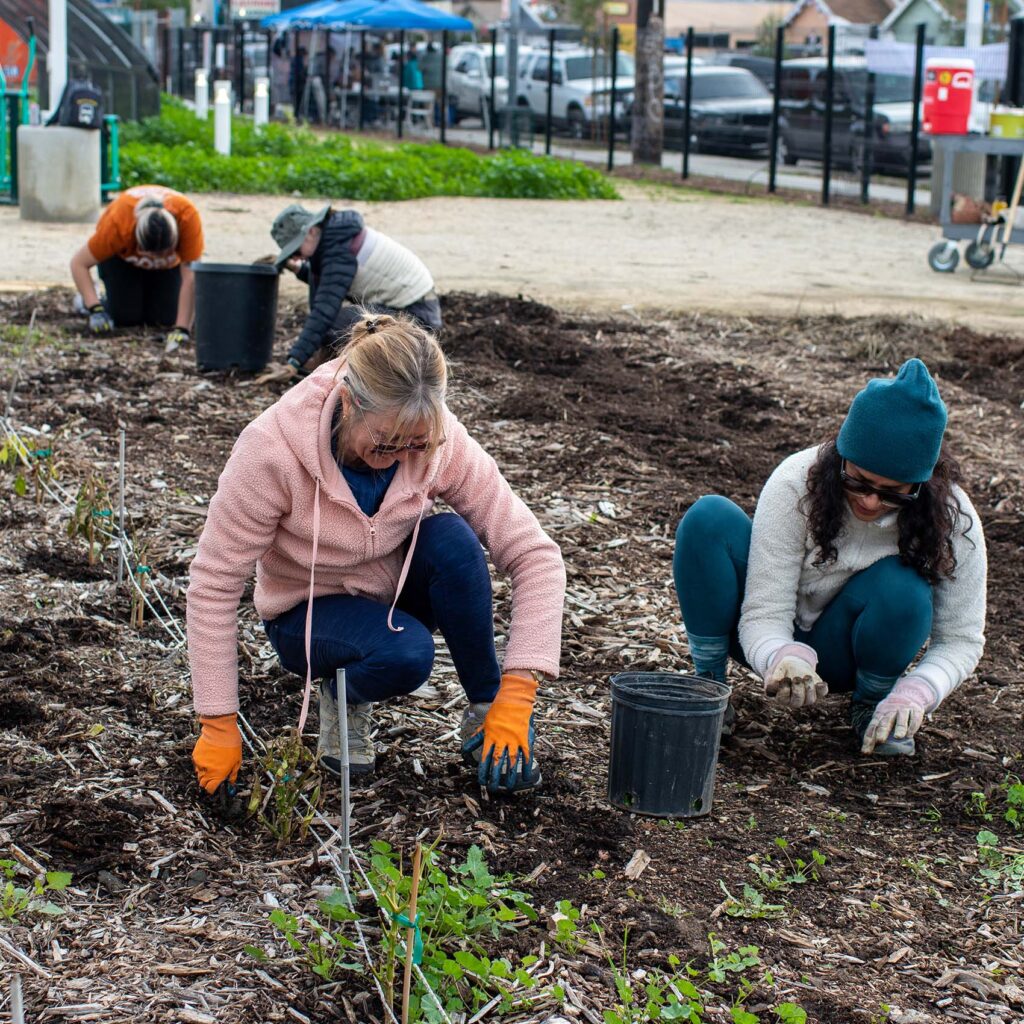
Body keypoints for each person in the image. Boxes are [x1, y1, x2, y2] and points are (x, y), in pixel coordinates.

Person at [187, 313, 566, 797]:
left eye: (417, 444)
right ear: (348, 401)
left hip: (390, 591)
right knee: (407, 654)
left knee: (453, 542)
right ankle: (341, 696)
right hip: (306, 613)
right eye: (386, 443)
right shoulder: (271, 451)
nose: (402, 457)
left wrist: (518, 693)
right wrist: (217, 723)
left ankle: (488, 716)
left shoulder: (437, 441)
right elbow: (214, 585)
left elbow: (536, 555)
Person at [673, 358, 986, 756]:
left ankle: (873, 708)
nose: (871, 501)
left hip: (849, 652)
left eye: (894, 493)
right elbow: (764, 612)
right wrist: (782, 655)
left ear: (922, 484)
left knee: (904, 586)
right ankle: (709, 687)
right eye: (858, 481)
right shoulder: (796, 480)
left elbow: (961, 639)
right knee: (707, 519)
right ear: (840, 457)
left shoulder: (952, 518)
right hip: (762, 638)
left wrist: (916, 692)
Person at [255, 203, 442, 384]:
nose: (295, 256)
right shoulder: (336, 237)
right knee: (339, 321)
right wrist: (297, 268)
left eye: (294, 250)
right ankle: (328, 368)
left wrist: (293, 362)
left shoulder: (338, 251)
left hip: (417, 320)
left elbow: (324, 309)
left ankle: (348, 372)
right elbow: (333, 282)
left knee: (337, 323)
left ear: (311, 231)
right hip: (407, 308)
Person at [69, 184, 203, 349]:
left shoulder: (188, 218)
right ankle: (90, 297)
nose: (156, 259)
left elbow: (191, 277)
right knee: (125, 317)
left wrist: (182, 329)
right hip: (123, 263)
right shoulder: (118, 223)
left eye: (164, 253)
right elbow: (79, 264)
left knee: (166, 318)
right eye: (150, 253)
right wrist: (95, 309)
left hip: (168, 269)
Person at [290, 46, 308, 121]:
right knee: (297, 100)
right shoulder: (298, 60)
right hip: (296, 84)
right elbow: (299, 73)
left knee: (297, 101)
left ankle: (296, 115)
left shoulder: (296, 60)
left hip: (295, 83)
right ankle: (296, 116)